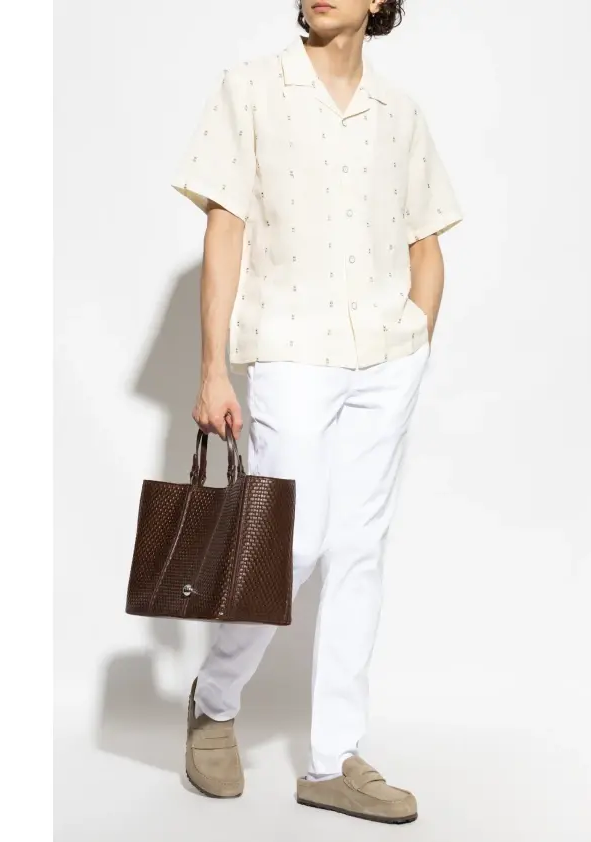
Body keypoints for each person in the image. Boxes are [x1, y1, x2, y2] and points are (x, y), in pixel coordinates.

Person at [170, 0, 462, 825]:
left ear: (380, 3)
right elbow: (225, 229)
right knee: (288, 544)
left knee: (359, 549)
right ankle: (215, 700)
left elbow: (426, 241)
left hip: (385, 356)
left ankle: (335, 760)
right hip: (291, 347)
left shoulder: (400, 112)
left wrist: (416, 342)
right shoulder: (250, 88)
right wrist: (212, 369)